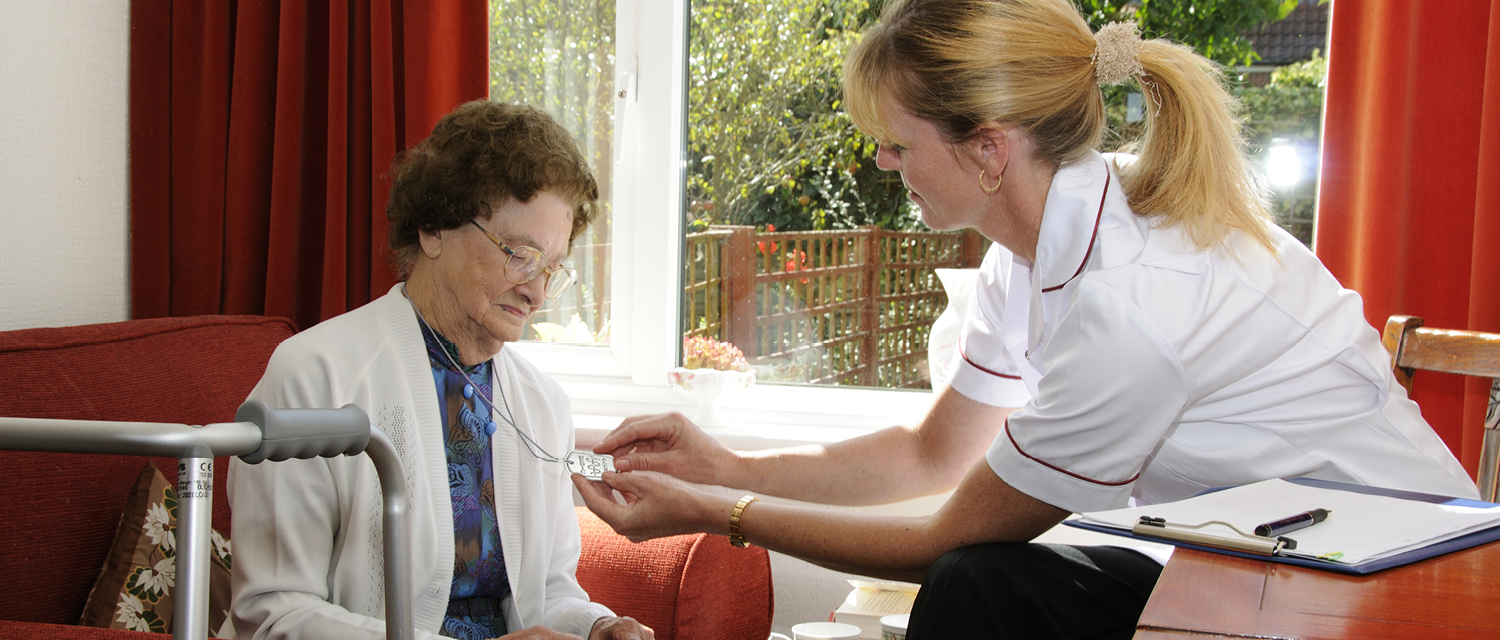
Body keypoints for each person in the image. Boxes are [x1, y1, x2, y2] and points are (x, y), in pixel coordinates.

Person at [573, 1, 1480, 639]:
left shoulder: (1130, 298)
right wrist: (727, 465)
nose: (886, 164)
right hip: (1265, 572)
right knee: (991, 588)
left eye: (898, 142)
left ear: (989, 150)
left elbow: (941, 538)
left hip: (1406, 591)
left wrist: (718, 511)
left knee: (977, 579)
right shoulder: (1034, 252)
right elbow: (934, 456)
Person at [229, 100, 651, 640]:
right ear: (433, 228)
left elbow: (546, 592)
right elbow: (272, 615)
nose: (537, 290)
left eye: (552, 267)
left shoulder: (543, 404)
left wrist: (597, 626)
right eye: (519, 254)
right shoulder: (315, 377)